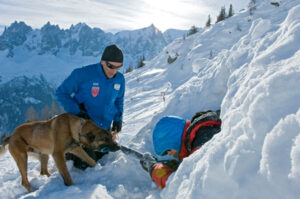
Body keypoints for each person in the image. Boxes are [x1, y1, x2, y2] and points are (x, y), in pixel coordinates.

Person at [56, 44, 125, 169]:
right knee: (86, 166)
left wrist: (118, 118)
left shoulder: (120, 79)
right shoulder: (83, 74)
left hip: (104, 129)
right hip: (83, 130)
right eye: (110, 66)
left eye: (118, 67)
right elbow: (61, 92)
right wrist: (77, 112)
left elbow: (119, 100)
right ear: (102, 62)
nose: (114, 71)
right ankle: (70, 154)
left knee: (107, 161)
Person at [140, 110, 221, 188]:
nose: (169, 154)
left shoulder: (203, 137)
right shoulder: (203, 130)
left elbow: (181, 185)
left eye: (168, 150)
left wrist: (154, 169)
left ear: (173, 140)